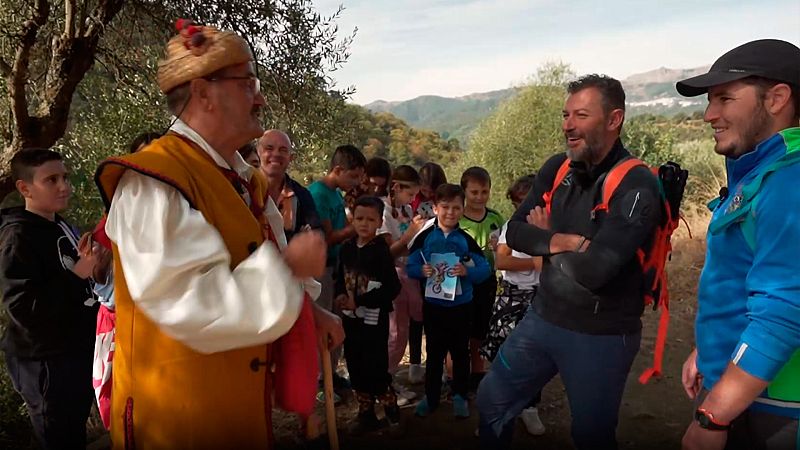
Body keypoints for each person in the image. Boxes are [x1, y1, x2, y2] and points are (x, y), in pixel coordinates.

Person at [94, 20, 342, 447]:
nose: (260, 97)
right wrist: (285, 270)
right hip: (177, 423)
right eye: (248, 83)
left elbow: (253, 266)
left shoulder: (243, 181)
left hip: (231, 408)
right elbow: (191, 304)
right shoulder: (152, 183)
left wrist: (305, 308)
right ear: (203, 92)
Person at [477, 74, 662, 450]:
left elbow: (596, 271)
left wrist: (544, 240)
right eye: (565, 115)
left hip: (603, 336)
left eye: (580, 115)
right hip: (542, 318)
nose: (568, 125)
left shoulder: (636, 185)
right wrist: (568, 241)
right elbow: (515, 232)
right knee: (491, 401)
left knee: (591, 437)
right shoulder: (557, 168)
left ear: (614, 120)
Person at [675, 39, 800, 450]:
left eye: (726, 98)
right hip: (748, 388)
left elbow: (783, 311)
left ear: (778, 98)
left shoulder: (789, 181)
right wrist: (711, 350)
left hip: (775, 407)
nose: (710, 114)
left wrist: (714, 417)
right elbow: (741, 276)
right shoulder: (763, 171)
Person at [0, 148, 100, 449]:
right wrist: (78, 274)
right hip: (44, 364)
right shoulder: (17, 237)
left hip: (73, 353)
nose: (64, 186)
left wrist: (94, 268)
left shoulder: (59, 225)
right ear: (24, 188)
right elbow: (23, 308)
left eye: (65, 178)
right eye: (51, 180)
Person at [91, 131, 160, 429]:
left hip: (160, 327)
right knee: (122, 408)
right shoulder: (114, 216)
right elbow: (96, 277)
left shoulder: (182, 210)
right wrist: (95, 264)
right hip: (121, 325)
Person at [407, 183, 491, 419]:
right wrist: (420, 270)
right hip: (434, 307)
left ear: (462, 210)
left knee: (460, 354)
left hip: (462, 307)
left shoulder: (467, 241)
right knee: (433, 354)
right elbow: (410, 265)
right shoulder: (424, 238)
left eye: (456, 208)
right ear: (435, 208)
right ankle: (431, 397)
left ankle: (460, 397)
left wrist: (467, 272)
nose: (450, 213)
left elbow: (484, 269)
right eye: (445, 207)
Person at [479, 174, 545, 436]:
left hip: (540, 297)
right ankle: (496, 414)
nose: (523, 208)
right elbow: (502, 262)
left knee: (536, 355)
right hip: (512, 295)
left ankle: (530, 407)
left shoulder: (551, 227)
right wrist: (534, 263)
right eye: (519, 202)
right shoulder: (511, 228)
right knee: (502, 353)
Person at [335, 196, 402, 433]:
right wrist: (341, 296)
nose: (364, 224)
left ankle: (392, 413)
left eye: (370, 219)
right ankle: (366, 413)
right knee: (355, 363)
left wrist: (361, 300)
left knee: (376, 367)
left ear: (379, 222)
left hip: (374, 321)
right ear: (352, 219)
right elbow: (339, 279)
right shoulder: (346, 249)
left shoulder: (381, 253)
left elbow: (393, 288)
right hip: (351, 320)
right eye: (359, 218)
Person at [308, 144, 366, 396]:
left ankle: (331, 375)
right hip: (320, 267)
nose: (355, 183)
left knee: (335, 320)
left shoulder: (336, 194)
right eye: (352, 176)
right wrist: (359, 227)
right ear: (338, 169)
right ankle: (319, 381)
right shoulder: (318, 194)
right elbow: (327, 237)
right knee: (321, 323)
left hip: (336, 266)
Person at [377, 165, 425, 405]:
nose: (412, 200)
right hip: (393, 278)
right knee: (394, 333)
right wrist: (411, 234)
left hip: (410, 275)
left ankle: (388, 378)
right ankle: (383, 385)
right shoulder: (382, 212)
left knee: (403, 331)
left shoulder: (405, 209)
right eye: (409, 194)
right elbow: (387, 253)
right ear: (395, 187)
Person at [458, 166, 505, 389]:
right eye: (474, 192)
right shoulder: (456, 219)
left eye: (484, 192)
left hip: (487, 282)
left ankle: (477, 373)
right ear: (464, 192)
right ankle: (454, 376)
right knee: (458, 331)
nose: (479, 197)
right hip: (460, 282)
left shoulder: (495, 218)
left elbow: (505, 248)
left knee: (480, 329)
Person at [257, 129, 321, 241]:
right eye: (269, 148)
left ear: (291, 158)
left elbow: (315, 233)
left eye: (283, 150)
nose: (276, 154)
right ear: (259, 152)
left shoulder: (301, 195)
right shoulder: (244, 187)